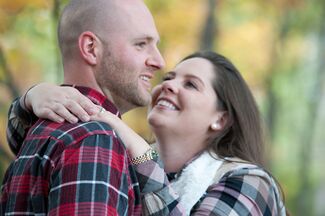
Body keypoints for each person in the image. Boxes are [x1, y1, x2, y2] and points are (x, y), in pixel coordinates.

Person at [4, 51, 287, 215]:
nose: (168, 85)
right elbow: (36, 148)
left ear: (220, 119)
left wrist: (138, 149)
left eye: (191, 85)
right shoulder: (118, 154)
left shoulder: (250, 183)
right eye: (168, 78)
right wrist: (31, 97)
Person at [0, 0, 165, 215]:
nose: (159, 61)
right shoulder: (94, 138)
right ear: (91, 48)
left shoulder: (37, 133)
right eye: (141, 44)